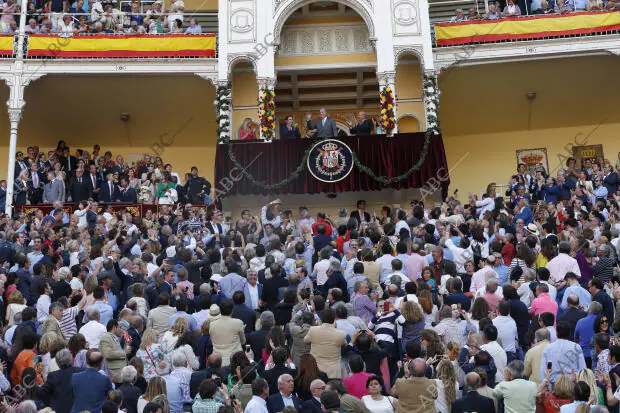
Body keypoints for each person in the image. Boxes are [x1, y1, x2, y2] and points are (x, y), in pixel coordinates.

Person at [304, 308, 347, 379]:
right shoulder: (341, 334)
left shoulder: (313, 330)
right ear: (334, 319)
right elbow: (344, 344)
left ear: (321, 318)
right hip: (334, 372)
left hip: (316, 370)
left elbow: (306, 340)